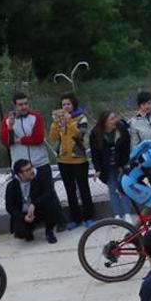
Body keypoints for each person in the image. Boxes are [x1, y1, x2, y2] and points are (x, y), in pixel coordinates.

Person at [0, 91, 66, 230]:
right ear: (14, 105)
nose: (24, 107)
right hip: (20, 165)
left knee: (49, 192)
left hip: (39, 162)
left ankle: (59, 220)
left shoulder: (35, 117)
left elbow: (38, 138)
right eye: (20, 104)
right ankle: (27, 223)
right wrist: (10, 128)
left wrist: (21, 140)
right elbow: (6, 141)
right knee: (24, 194)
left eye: (25, 103)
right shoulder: (8, 120)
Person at [50, 93, 94, 229]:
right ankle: (75, 218)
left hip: (79, 159)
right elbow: (53, 138)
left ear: (73, 104)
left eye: (68, 104)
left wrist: (69, 122)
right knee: (70, 190)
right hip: (63, 160)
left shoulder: (81, 118)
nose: (66, 107)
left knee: (84, 189)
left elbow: (80, 135)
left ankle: (89, 217)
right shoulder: (59, 120)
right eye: (63, 105)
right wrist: (55, 124)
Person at [90, 111, 135, 224]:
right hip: (107, 166)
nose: (115, 120)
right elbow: (95, 154)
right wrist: (98, 169)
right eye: (111, 119)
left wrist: (124, 164)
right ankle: (117, 215)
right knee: (113, 190)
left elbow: (126, 148)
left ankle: (127, 213)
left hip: (121, 164)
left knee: (123, 188)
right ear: (104, 122)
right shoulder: (95, 133)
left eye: (115, 118)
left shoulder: (122, 129)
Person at [5, 159, 61, 243]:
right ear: (20, 174)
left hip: (38, 209)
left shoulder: (40, 178)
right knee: (20, 232)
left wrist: (34, 204)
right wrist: (23, 217)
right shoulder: (11, 186)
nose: (31, 171)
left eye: (31, 168)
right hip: (24, 213)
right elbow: (9, 207)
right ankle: (28, 230)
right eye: (27, 170)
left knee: (51, 204)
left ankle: (49, 232)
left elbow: (49, 193)